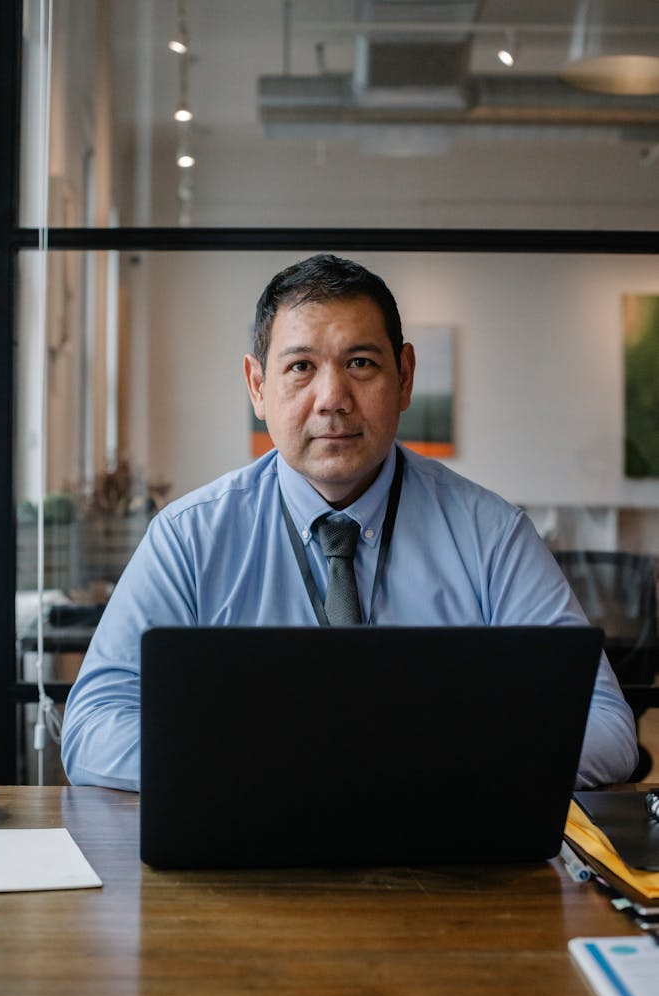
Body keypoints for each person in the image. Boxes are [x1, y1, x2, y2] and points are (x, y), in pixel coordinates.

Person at [60, 253, 638, 791]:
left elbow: (607, 725)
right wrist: (265, 764)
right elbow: (92, 726)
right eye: (301, 367)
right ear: (258, 387)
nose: (332, 398)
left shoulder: (491, 533)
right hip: (247, 864)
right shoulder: (190, 537)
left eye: (360, 363)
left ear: (405, 376)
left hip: (446, 867)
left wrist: (429, 763)